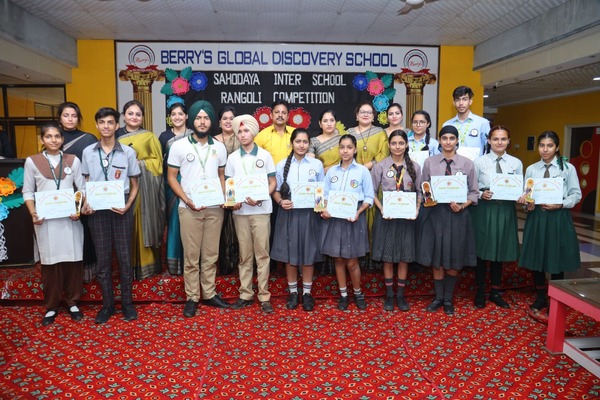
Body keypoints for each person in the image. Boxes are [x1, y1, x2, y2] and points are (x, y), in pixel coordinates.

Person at [167, 100, 230, 318]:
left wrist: (224, 197)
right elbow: (171, 177)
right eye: (198, 118)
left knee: (211, 255)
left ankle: (210, 293)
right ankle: (192, 297)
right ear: (192, 120)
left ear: (211, 121)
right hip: (189, 207)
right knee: (192, 257)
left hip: (214, 208)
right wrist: (186, 199)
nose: (202, 122)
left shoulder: (219, 147)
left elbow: (222, 176)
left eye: (206, 118)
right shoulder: (179, 146)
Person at [80, 107, 140, 324]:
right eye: (102, 122)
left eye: (110, 122)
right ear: (96, 125)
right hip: (97, 211)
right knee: (103, 260)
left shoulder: (128, 152)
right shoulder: (87, 153)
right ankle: (107, 305)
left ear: (117, 125)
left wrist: (128, 205)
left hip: (121, 208)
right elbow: (85, 182)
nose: (106, 126)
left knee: (125, 259)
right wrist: (85, 203)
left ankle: (127, 303)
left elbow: (135, 184)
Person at [22, 122, 86, 326]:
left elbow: (81, 188)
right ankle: (51, 305)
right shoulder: (32, 162)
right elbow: (27, 191)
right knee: (50, 263)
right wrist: (33, 213)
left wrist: (77, 210)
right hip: (45, 220)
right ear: (41, 139)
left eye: (57, 136)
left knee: (73, 260)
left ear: (62, 139)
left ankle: (73, 302)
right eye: (48, 136)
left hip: (69, 219)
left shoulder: (72, 160)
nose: (53, 140)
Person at [416, 125, 479, 316]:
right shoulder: (429, 163)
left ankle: (448, 298)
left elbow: (474, 192)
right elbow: (423, 188)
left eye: (452, 138)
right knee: (438, 258)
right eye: (445, 138)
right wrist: (428, 199)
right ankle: (438, 297)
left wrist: (463, 205)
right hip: (436, 215)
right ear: (440, 140)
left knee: (453, 258)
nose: (448, 142)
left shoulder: (467, 164)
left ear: (457, 140)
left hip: (458, 216)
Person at [517, 131, 581, 312]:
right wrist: (527, 205)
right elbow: (528, 194)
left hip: (557, 217)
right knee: (537, 256)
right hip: (537, 217)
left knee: (556, 257)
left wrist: (560, 204)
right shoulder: (531, 169)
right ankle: (539, 297)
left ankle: (557, 299)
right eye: (542, 146)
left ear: (557, 147)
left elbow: (576, 194)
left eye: (549, 146)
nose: (545, 150)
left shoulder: (567, 169)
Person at [225, 115, 276, 313]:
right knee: (245, 255)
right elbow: (229, 185)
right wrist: (232, 202)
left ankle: (264, 296)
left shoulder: (265, 155)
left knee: (262, 254)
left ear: (253, 132)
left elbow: (272, 182)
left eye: (246, 131)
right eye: (239, 131)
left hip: (261, 210)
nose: (243, 134)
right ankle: (245, 294)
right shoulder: (232, 158)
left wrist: (264, 196)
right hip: (241, 212)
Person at [272, 128, 325, 311]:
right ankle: (293, 292)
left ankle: (307, 293)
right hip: (289, 214)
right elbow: (276, 189)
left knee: (309, 253)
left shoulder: (316, 164)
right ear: (292, 144)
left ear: (309, 144)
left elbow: (321, 190)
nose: (301, 145)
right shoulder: (281, 165)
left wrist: (320, 204)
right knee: (290, 254)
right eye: (298, 141)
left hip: (310, 215)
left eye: (305, 142)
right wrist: (280, 201)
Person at [471, 126, 523, 309]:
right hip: (485, 209)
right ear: (489, 141)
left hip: (506, 209)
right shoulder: (479, 163)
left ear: (508, 141)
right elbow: (472, 187)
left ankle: (495, 291)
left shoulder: (516, 163)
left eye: (503, 139)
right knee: (482, 251)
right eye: (495, 139)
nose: (499, 142)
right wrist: (480, 195)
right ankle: (479, 291)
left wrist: (522, 195)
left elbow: (521, 187)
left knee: (499, 251)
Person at [321, 134, 374, 311]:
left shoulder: (362, 171)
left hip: (354, 219)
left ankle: (358, 293)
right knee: (338, 258)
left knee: (351, 261)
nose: (345, 151)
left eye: (349, 147)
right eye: (342, 147)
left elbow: (369, 196)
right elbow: (325, 195)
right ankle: (343, 295)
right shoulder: (332, 172)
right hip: (335, 219)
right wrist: (325, 209)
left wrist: (359, 212)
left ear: (355, 149)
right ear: (338, 149)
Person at [371, 130, 421, 311]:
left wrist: (416, 209)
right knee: (387, 257)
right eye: (394, 143)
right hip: (387, 214)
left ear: (406, 145)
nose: (397, 147)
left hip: (406, 216)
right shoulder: (381, 167)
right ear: (389, 145)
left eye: (401, 143)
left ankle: (400, 295)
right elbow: (371, 192)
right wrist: (382, 208)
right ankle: (389, 295)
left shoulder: (414, 167)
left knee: (404, 256)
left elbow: (420, 192)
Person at [116, 100, 164, 280]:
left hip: (146, 189)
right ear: (124, 116)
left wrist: (140, 164)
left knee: (145, 225)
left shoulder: (149, 137)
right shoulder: (116, 138)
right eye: (130, 113)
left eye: (138, 114)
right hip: (123, 188)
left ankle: (148, 266)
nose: (134, 117)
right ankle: (127, 267)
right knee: (126, 226)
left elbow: (158, 164)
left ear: (142, 117)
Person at [57, 102, 99, 283]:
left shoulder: (88, 139)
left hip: (82, 190)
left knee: (85, 231)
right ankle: (67, 274)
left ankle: (87, 272)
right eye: (66, 115)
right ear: (59, 117)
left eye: (74, 116)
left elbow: (95, 169)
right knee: (64, 232)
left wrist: (89, 196)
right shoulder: (54, 138)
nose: (70, 119)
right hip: (60, 192)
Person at [347, 102, 389, 270]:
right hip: (352, 179)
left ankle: (372, 258)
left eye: (369, 112)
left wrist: (368, 166)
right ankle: (355, 255)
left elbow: (384, 153)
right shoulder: (349, 132)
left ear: (373, 116)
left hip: (373, 177)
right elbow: (344, 150)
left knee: (372, 218)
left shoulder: (380, 133)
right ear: (356, 115)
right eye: (362, 112)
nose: (365, 114)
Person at [159, 102, 193, 275]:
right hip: (171, 183)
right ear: (169, 118)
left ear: (186, 116)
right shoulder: (164, 137)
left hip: (191, 183)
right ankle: (174, 266)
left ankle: (191, 264)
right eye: (173, 114)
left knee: (192, 224)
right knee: (173, 223)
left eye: (180, 114)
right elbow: (160, 163)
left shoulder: (194, 135)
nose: (177, 117)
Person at [214, 106, 240, 276]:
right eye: (225, 118)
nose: (228, 121)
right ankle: (224, 265)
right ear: (219, 122)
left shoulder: (243, 138)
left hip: (240, 189)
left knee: (238, 228)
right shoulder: (213, 141)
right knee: (222, 229)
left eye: (232, 118)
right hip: (218, 188)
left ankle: (239, 263)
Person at [442, 86, 490, 157]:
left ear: (470, 101)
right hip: (453, 165)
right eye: (458, 100)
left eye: (464, 99)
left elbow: (489, 147)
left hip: (475, 166)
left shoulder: (482, 123)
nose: (461, 103)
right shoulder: (447, 125)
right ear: (454, 103)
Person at [255, 99, 295, 165]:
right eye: (277, 112)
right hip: (270, 174)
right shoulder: (261, 135)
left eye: (283, 113)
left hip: (291, 173)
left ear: (288, 116)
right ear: (271, 115)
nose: (280, 115)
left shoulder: (295, 133)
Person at [308, 109, 342, 173]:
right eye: (325, 121)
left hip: (342, 174)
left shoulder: (342, 140)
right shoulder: (313, 141)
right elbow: (310, 163)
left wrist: (331, 169)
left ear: (336, 122)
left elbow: (348, 160)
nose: (329, 124)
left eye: (332, 120)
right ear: (320, 124)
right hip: (322, 176)